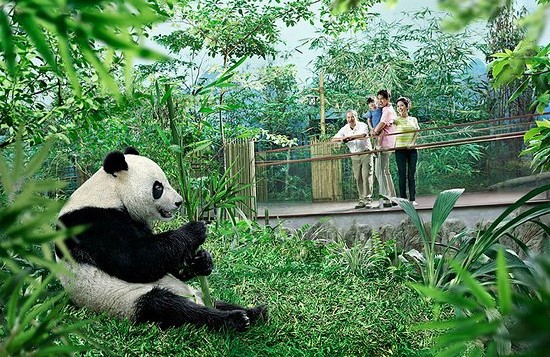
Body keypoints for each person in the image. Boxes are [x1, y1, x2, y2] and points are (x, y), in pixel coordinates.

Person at [332, 109, 374, 209]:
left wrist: (349, 138)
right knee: (358, 177)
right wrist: (342, 139)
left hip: (365, 153)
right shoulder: (344, 129)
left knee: (366, 176)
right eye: (348, 117)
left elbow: (363, 135)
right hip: (354, 155)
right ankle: (361, 200)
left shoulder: (362, 125)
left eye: (352, 117)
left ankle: (367, 199)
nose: (350, 119)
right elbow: (333, 139)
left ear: (356, 117)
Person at [372, 89, 397, 208]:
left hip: (384, 145)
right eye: (378, 98)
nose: (380, 101)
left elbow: (378, 128)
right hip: (387, 144)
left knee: (379, 171)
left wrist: (374, 131)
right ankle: (392, 197)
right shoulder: (387, 110)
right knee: (385, 172)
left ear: (388, 99)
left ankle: (387, 198)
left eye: (382, 98)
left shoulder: (387, 111)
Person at [394, 97, 420, 206]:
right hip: (400, 149)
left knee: (411, 174)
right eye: (398, 106)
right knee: (402, 174)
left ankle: (412, 199)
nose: (400, 108)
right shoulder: (396, 120)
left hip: (412, 149)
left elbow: (416, 131)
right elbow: (387, 126)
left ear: (407, 106)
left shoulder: (413, 119)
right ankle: (403, 199)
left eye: (402, 105)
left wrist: (413, 143)